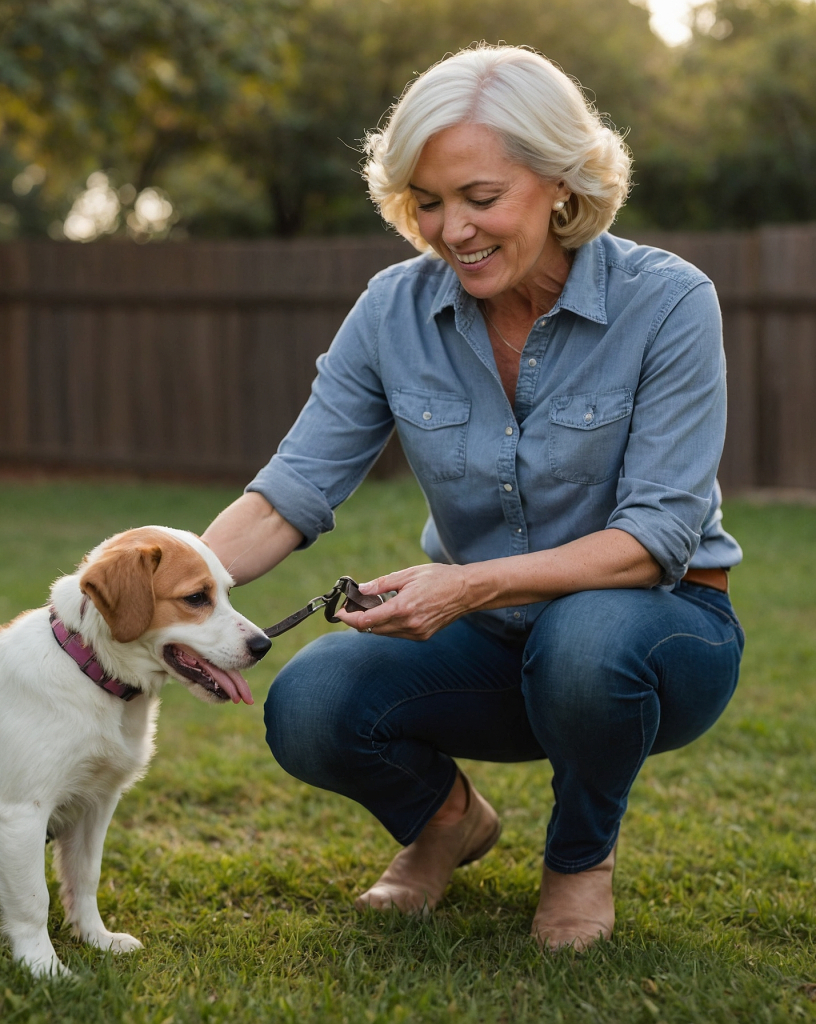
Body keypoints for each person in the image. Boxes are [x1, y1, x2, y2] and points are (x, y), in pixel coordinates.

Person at [201, 44, 744, 951]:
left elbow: (656, 539)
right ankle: (445, 822)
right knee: (309, 705)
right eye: (427, 201)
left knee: (586, 638)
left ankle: (578, 861)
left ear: (563, 185)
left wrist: (463, 584)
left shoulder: (671, 303)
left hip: (659, 631)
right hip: (487, 643)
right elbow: (288, 494)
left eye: (481, 199)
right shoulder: (392, 311)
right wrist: (159, 590)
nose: (452, 230)